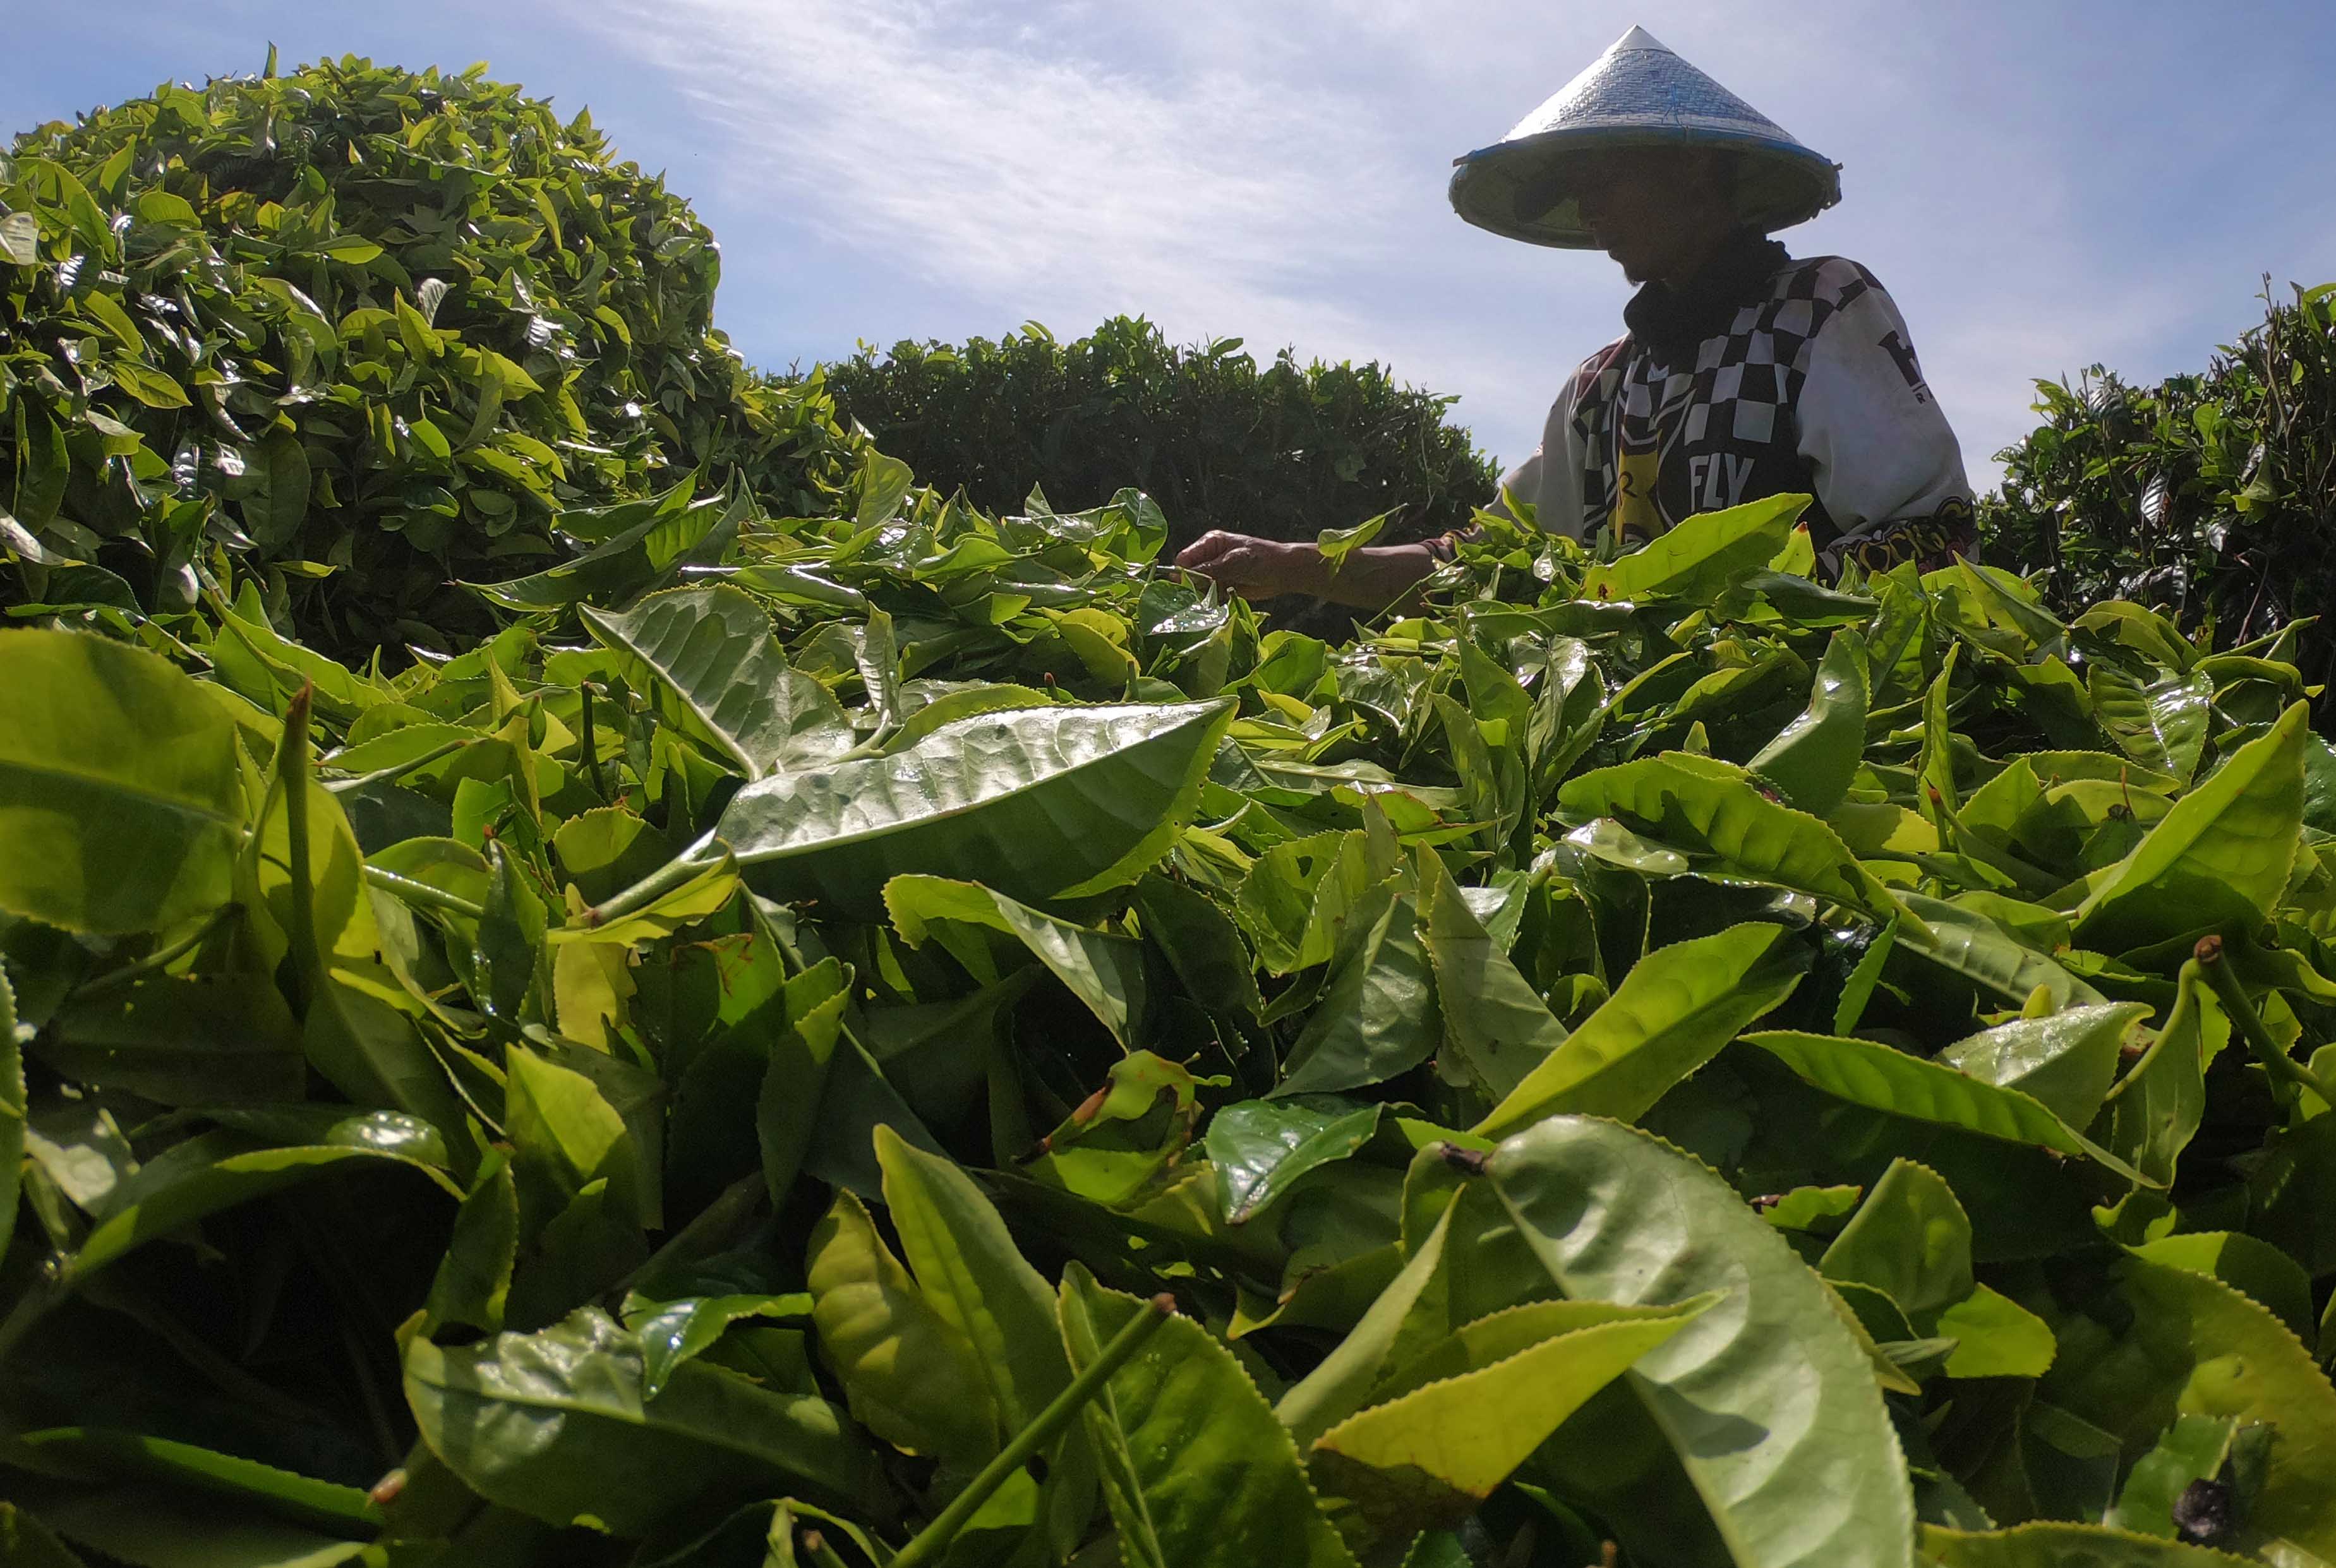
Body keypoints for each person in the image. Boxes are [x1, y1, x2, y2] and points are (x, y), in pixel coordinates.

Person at [1177, 26, 1975, 607]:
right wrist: (1295, 562)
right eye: (1576, 190)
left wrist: (1718, 612)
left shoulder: (1818, 308)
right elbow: (1486, 560)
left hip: (1812, 725)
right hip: (1640, 728)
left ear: (1694, 164)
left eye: (1604, 179)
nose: (1587, 210)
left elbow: (1929, 540)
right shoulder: (1603, 385)